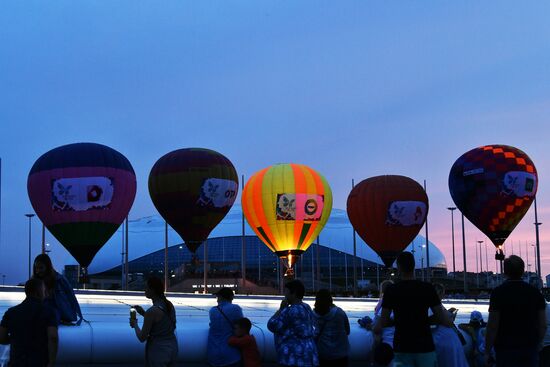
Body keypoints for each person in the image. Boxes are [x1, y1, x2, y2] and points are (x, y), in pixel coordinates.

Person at [373, 251, 453, 367]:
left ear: (399, 267)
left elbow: (384, 321)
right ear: (414, 266)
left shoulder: (392, 290)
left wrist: (400, 321)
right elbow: (441, 318)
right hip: (425, 346)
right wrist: (424, 321)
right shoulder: (427, 288)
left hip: (402, 346)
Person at [485, 255, 547, 367]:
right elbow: (543, 325)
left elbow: (492, 326)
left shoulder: (498, 293)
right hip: (530, 347)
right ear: (523, 271)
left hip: (505, 348)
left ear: (505, 271)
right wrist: (538, 343)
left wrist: (487, 350)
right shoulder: (535, 293)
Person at [0, 278, 59, 366]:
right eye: (44, 291)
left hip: (16, 362)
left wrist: (14, 339)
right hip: (39, 362)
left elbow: (1, 337)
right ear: (38, 292)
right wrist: (51, 362)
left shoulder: (11, 312)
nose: (46, 294)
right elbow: (53, 337)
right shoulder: (49, 312)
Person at [268, 279, 318, 367]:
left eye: (286, 292)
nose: (285, 295)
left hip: (293, 356)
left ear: (293, 293)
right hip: (309, 353)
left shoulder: (290, 310)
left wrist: (280, 310)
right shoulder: (306, 307)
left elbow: (272, 325)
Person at [130, 276, 178, 367]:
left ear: (153, 290)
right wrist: (144, 313)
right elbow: (162, 322)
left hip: (158, 352)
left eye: (146, 287)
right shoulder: (169, 305)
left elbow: (142, 338)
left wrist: (135, 324)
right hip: (172, 348)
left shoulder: (151, 312)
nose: (145, 290)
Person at [33, 254, 82, 325]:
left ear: (48, 267)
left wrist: (79, 317)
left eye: (41, 268)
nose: (37, 271)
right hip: (47, 318)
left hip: (58, 317)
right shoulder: (36, 282)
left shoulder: (60, 280)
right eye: (36, 268)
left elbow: (72, 298)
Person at [430, 283, 468, 367]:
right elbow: (446, 321)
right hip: (443, 340)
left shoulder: (436, 306)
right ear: (439, 293)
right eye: (443, 293)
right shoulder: (436, 306)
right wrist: (450, 316)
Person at [313, 289, 350, 367]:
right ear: (330, 299)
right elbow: (347, 331)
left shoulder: (314, 315)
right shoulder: (340, 313)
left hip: (322, 355)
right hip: (340, 355)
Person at [208, 287, 244, 367]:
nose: (217, 300)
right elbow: (242, 325)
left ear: (220, 297)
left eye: (217, 297)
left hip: (213, 354)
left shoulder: (212, 310)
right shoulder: (236, 309)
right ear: (231, 297)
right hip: (231, 354)